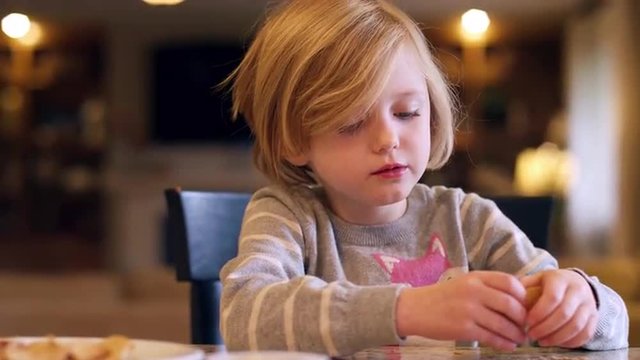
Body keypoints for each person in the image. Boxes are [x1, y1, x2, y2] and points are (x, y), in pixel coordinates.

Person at [219, 0, 629, 356]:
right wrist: (408, 309)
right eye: (350, 123)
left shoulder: (469, 220)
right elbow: (243, 318)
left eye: (406, 113)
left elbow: (613, 328)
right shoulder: (288, 216)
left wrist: (583, 302)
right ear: (294, 140)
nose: (387, 140)